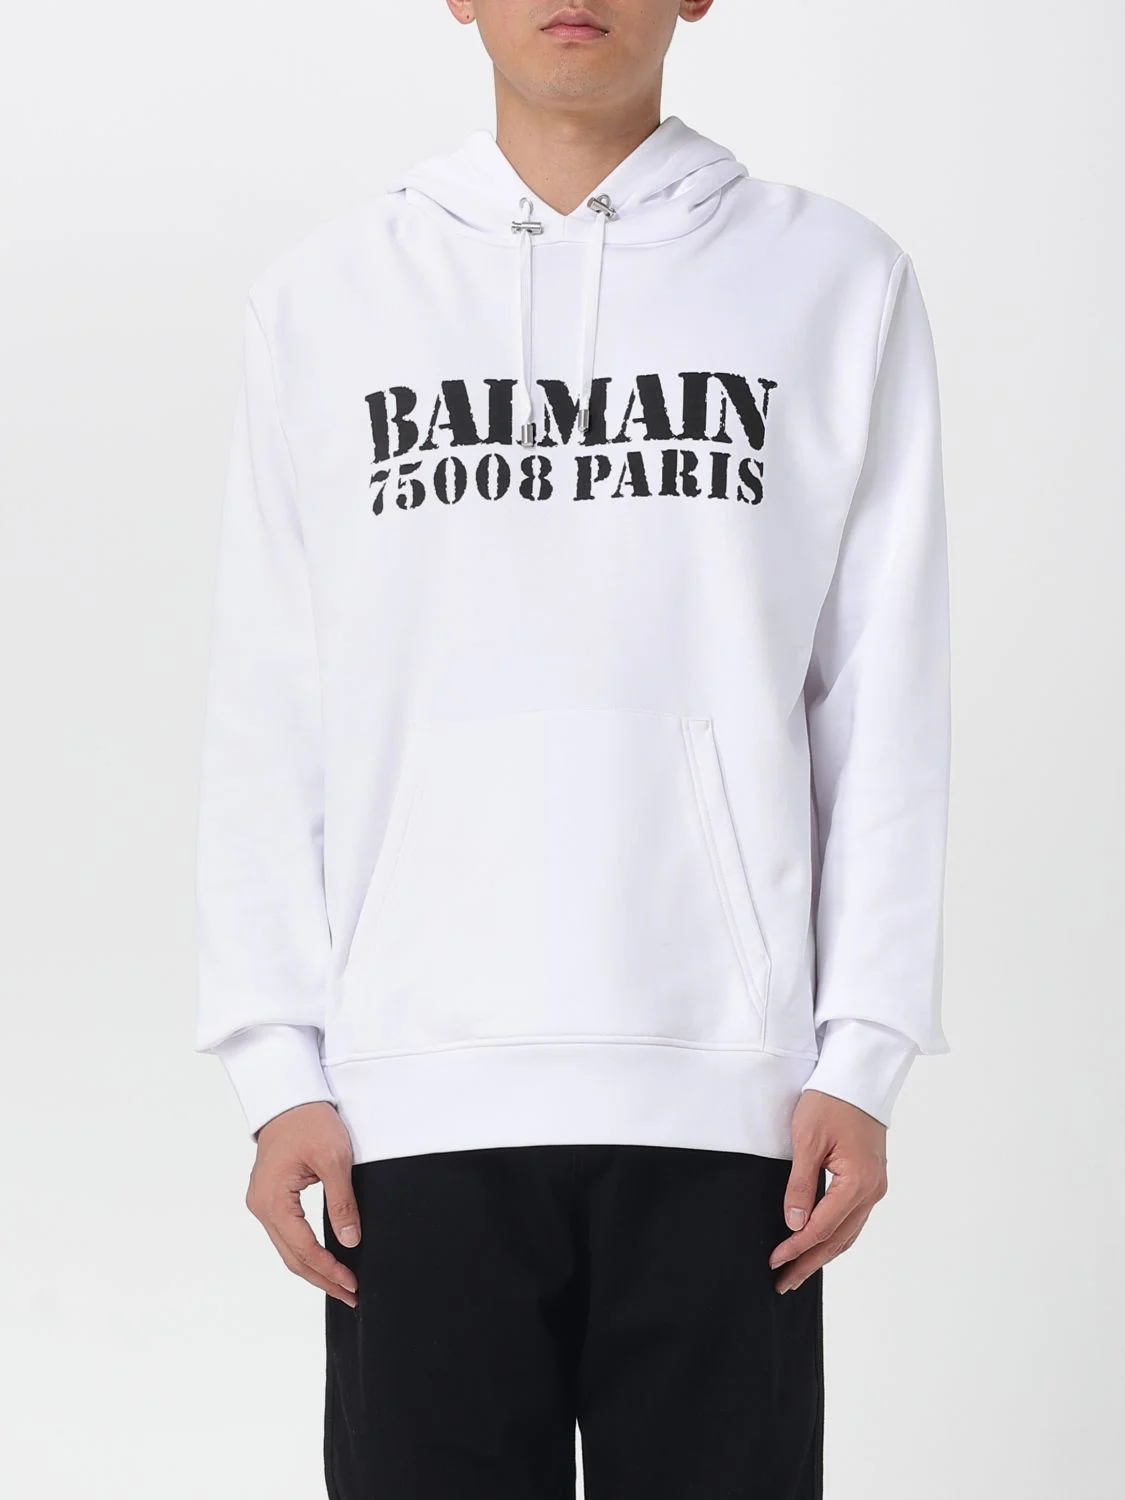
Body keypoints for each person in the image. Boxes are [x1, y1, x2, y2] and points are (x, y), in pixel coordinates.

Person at [193, 3, 952, 1495]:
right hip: (412, 1090)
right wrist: (275, 1067)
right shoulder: (329, 298)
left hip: (735, 1096)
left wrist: (864, 1054)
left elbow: (881, 693)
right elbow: (273, 700)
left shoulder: (835, 279)